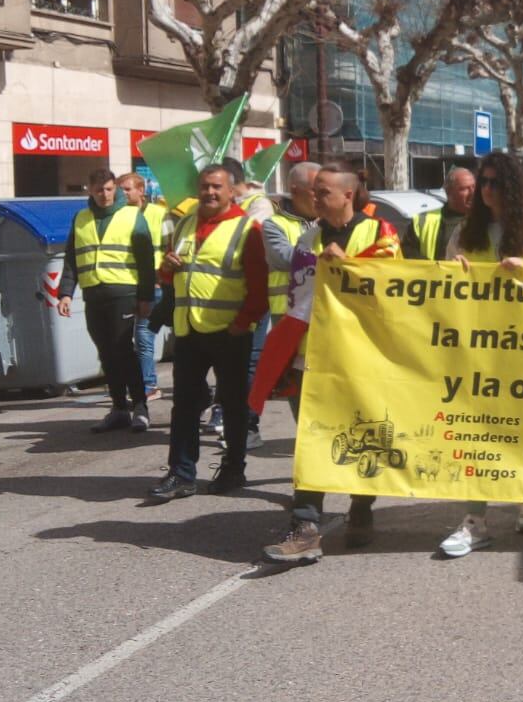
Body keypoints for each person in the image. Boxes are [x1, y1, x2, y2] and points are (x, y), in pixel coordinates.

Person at [259, 165, 402, 563]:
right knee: (312, 439)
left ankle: (361, 510)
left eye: (322, 192)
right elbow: (298, 297)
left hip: (361, 358)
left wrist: (350, 267)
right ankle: (305, 526)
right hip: (314, 357)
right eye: (313, 192)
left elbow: (395, 289)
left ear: (347, 196)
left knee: (362, 437)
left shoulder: (380, 233)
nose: (314, 198)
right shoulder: (309, 235)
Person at [438, 152, 523, 557]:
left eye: (495, 183)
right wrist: (450, 273)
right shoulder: (463, 233)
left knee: (521, 428)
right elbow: (439, 288)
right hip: (476, 351)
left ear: (513, 188)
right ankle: (476, 519)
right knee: (477, 433)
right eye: (483, 183)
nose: (487, 190)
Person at [147, 164, 269, 500]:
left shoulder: (248, 229)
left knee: (233, 405)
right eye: (204, 187)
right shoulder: (185, 223)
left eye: (217, 187)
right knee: (184, 406)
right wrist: (166, 269)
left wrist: (242, 323)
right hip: (188, 330)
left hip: (230, 332)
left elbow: (260, 286)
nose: (210, 193)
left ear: (232, 191)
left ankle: (233, 468)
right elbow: (172, 276)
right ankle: (181, 473)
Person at [58, 168, 155, 433]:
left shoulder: (132, 216)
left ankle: (140, 406)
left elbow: (146, 261)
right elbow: (71, 259)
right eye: (99, 190)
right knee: (106, 353)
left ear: (116, 189)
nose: (105, 194)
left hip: (123, 293)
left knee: (123, 349)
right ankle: (119, 408)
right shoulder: (81, 218)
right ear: (90, 190)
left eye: (110, 189)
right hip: (94, 295)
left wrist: (145, 297)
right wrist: (65, 292)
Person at [248, 160, 322, 450]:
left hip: (327, 315)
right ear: (295, 190)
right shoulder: (274, 225)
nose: (319, 196)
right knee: (297, 384)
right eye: (314, 190)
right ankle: (307, 442)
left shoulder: (328, 220)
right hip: (290, 318)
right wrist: (328, 258)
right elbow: (285, 258)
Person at [118, 172, 170, 406]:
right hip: (135, 284)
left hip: (159, 283)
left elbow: (169, 244)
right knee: (140, 338)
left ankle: (149, 385)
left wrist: (162, 274)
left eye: (128, 189)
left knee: (146, 336)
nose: (124, 193)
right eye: (122, 189)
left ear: (141, 190)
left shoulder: (159, 214)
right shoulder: (120, 216)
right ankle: (146, 385)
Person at [410, 167, 476, 261]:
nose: (472, 193)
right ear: (448, 192)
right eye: (464, 188)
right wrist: (438, 268)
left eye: (474, 187)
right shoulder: (422, 221)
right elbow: (407, 253)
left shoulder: (487, 221)